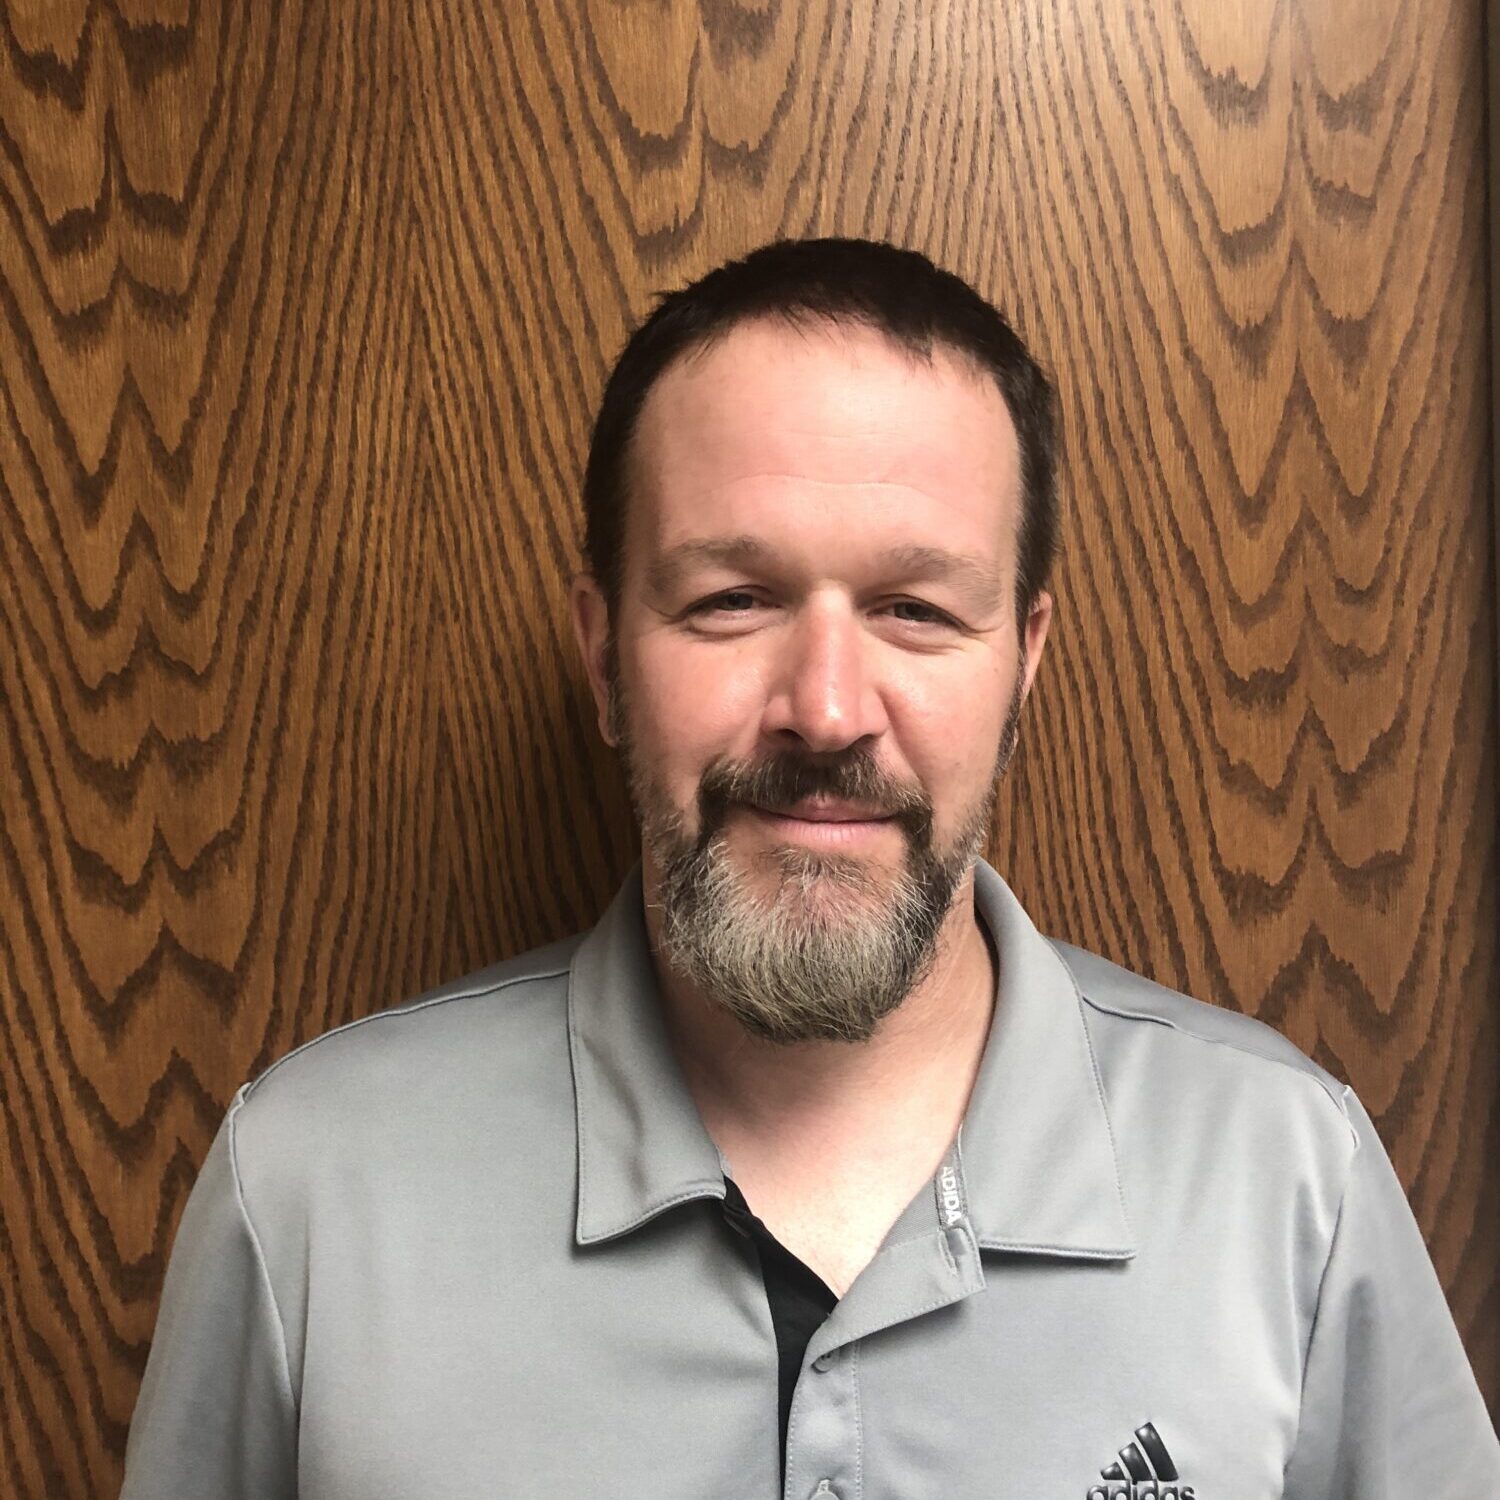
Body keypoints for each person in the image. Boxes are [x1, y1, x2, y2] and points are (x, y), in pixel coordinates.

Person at [121, 238, 1496, 1500]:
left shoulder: (1285, 1183)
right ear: (606, 658)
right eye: (732, 600)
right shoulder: (308, 1195)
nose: (828, 710)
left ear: (1025, 661)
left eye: (914, 609)